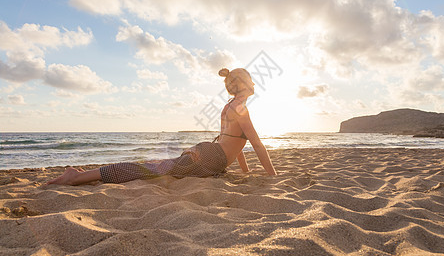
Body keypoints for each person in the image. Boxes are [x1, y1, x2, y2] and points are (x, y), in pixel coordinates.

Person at [45, 68, 276, 186]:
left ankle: (82, 175)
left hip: (208, 153)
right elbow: (256, 145)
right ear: (246, 84)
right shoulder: (241, 110)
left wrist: (245, 172)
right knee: (148, 169)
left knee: (155, 167)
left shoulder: (230, 106)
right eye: (252, 80)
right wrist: (272, 176)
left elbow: (234, 144)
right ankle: (77, 176)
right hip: (208, 157)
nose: (255, 83)